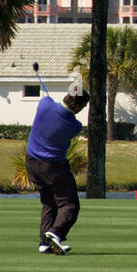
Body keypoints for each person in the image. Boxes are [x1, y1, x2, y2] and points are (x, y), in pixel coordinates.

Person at [25, 80, 89, 255]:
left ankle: (43, 243)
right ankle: (55, 233)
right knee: (70, 205)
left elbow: (46, 101)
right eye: (82, 107)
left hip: (31, 162)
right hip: (54, 167)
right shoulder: (74, 125)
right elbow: (70, 120)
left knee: (48, 202)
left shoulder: (45, 105)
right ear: (76, 106)